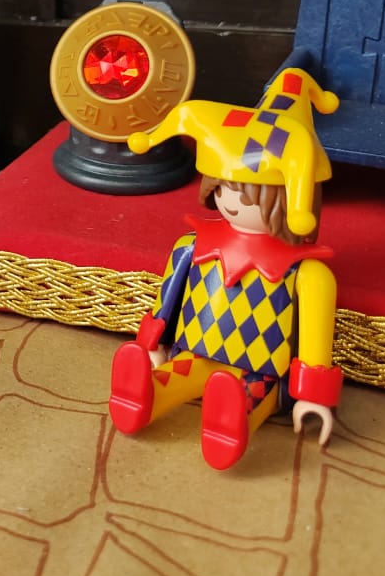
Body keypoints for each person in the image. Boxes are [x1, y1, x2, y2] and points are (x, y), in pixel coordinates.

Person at [110, 68, 341, 470]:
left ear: (293, 201)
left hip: (262, 370)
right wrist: (151, 344)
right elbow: (167, 301)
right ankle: (144, 394)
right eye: (222, 188)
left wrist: (313, 396)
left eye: (246, 195)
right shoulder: (191, 246)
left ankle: (232, 420)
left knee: (248, 393)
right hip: (195, 349)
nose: (230, 201)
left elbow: (314, 342)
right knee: (180, 372)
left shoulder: (307, 274)